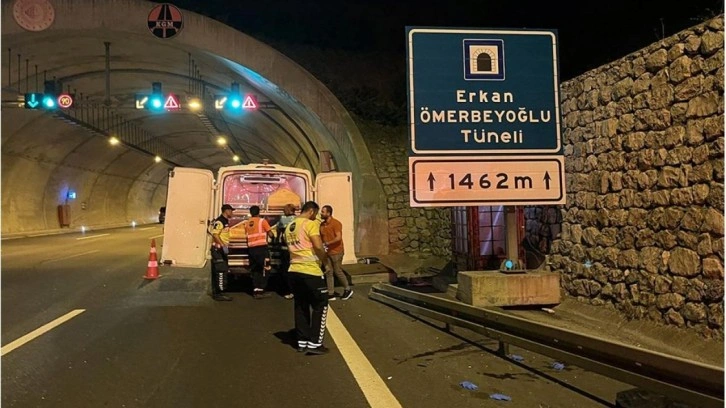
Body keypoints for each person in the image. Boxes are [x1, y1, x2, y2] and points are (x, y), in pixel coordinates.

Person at [284, 201, 330, 355]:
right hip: (311, 271)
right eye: (315, 214)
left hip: (293, 270)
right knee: (320, 305)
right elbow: (318, 246)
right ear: (311, 211)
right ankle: (315, 343)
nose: (315, 217)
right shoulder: (310, 224)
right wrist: (325, 262)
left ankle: (302, 341)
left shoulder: (290, 226)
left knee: (300, 305)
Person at [320, 205, 353, 301]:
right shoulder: (322, 225)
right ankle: (331, 293)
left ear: (328, 213)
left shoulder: (336, 223)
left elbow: (338, 238)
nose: (321, 213)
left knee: (337, 271)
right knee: (329, 272)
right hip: (327, 252)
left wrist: (328, 243)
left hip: (336, 251)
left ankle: (347, 289)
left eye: (323, 212)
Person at [244, 205, 274, 299]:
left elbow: (247, 236)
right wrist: (273, 238)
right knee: (265, 268)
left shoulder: (247, 223)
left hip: (251, 249)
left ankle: (256, 290)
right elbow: (271, 234)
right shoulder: (262, 221)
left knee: (255, 269)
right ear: (259, 212)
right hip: (261, 248)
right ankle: (261, 290)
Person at [210, 204, 234, 301]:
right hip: (218, 250)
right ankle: (219, 294)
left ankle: (220, 292)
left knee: (223, 270)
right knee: (221, 271)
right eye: (231, 211)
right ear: (226, 211)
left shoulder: (225, 221)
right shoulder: (220, 221)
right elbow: (215, 234)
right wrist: (223, 245)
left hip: (221, 250)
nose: (232, 213)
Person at [275, 204, 297, 299]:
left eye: (285, 209)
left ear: (289, 210)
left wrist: (276, 239)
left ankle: (290, 290)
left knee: (286, 270)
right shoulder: (297, 219)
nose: (284, 211)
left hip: (286, 248)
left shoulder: (283, 219)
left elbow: (278, 230)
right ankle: (296, 290)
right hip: (296, 248)